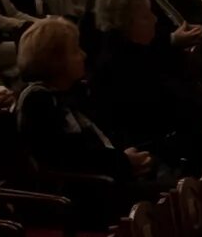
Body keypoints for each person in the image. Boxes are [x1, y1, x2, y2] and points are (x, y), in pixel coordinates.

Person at [10, 19, 147, 220]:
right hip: (78, 195)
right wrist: (123, 161)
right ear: (55, 61)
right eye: (75, 51)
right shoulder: (37, 101)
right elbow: (65, 158)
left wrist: (124, 157)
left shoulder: (71, 92)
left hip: (102, 181)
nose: (83, 55)